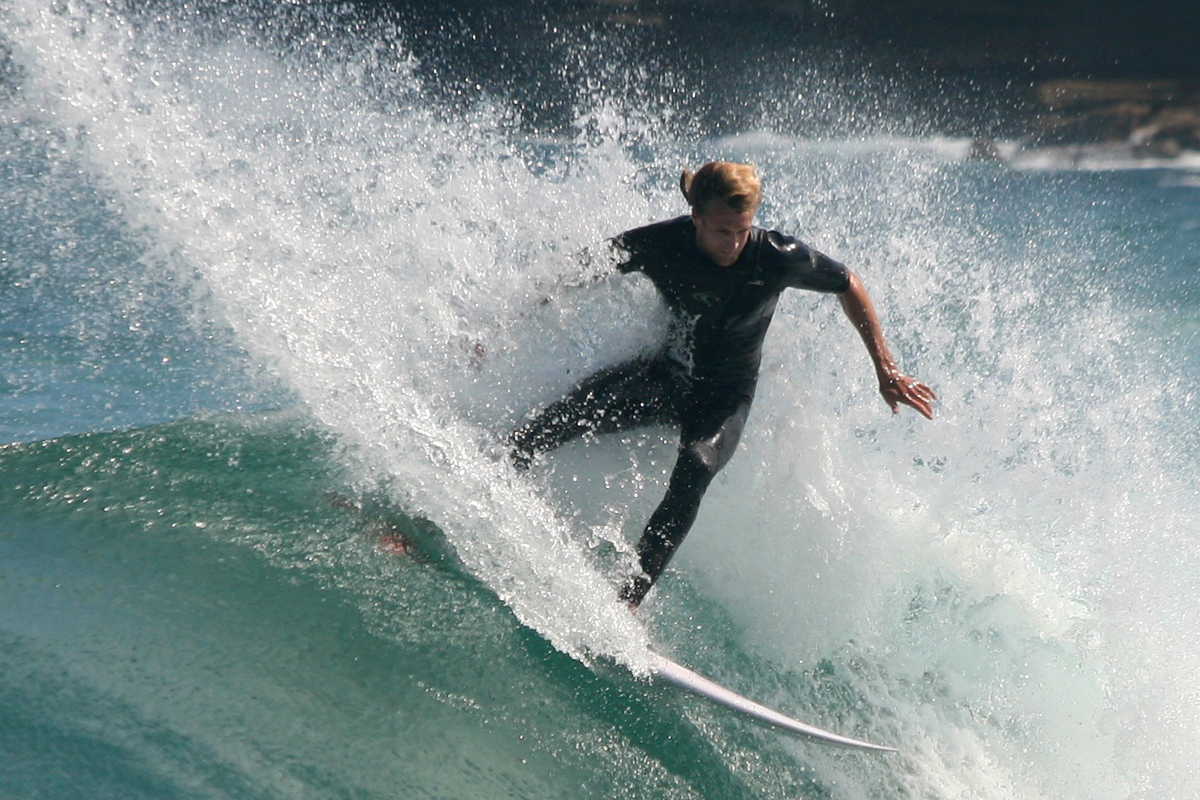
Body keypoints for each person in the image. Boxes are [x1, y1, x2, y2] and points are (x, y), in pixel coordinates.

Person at [509, 161, 935, 607]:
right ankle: (483, 485)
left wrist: (885, 368)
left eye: (741, 229)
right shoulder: (661, 243)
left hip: (724, 399)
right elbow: (581, 268)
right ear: (696, 218)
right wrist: (504, 323)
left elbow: (848, 283)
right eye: (720, 232)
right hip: (665, 376)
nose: (733, 243)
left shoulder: (776, 256)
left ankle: (627, 601)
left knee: (695, 466)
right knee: (561, 418)